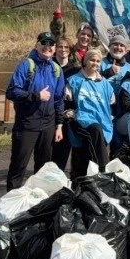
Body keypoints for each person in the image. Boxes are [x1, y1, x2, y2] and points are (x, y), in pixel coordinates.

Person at [5, 31, 65, 190]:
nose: (47, 47)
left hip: (48, 125)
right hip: (27, 124)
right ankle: (11, 203)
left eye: (51, 44)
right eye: (44, 43)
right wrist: (36, 96)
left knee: (43, 169)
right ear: (37, 45)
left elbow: (59, 100)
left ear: (54, 48)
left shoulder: (57, 70)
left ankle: (38, 203)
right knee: (19, 167)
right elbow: (11, 92)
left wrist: (59, 125)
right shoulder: (26, 65)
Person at [67, 48, 115, 178]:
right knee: (84, 150)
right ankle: (104, 168)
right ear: (85, 61)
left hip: (102, 121)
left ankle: (96, 179)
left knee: (96, 142)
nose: (95, 63)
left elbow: (111, 103)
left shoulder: (105, 84)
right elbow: (68, 103)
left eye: (98, 61)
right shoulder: (74, 81)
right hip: (81, 120)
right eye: (92, 60)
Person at [51, 35, 81, 174]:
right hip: (49, 113)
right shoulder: (48, 65)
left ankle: (60, 180)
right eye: (60, 46)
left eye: (66, 47)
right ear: (55, 49)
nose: (63, 49)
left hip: (67, 115)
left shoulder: (75, 70)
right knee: (46, 152)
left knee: (62, 151)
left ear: (70, 50)